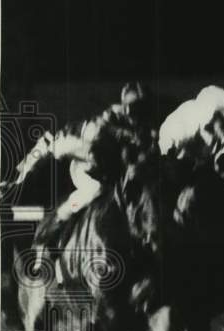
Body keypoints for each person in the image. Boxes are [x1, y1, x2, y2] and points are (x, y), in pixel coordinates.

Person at [9, 81, 157, 236]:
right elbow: (50, 142)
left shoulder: (145, 130)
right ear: (126, 109)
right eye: (136, 111)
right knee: (96, 189)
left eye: (144, 112)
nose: (140, 118)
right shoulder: (100, 128)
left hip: (107, 166)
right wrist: (21, 174)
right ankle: (59, 216)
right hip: (86, 165)